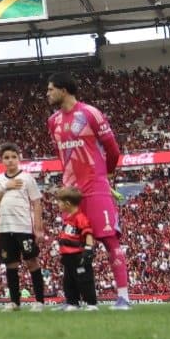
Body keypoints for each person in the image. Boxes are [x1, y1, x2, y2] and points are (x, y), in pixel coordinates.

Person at [46, 74, 130, 310]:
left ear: (64, 90)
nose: (47, 94)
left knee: (109, 240)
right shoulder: (53, 121)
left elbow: (113, 150)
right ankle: (73, 300)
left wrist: (107, 174)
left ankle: (123, 297)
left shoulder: (90, 113)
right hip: (70, 193)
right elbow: (62, 155)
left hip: (95, 187)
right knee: (70, 245)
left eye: (51, 89)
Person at [0, 143, 47, 312]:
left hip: (24, 227)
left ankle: (40, 301)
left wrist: (38, 228)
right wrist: (6, 187)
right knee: (10, 264)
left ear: (19, 159)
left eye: (13, 157)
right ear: (2, 160)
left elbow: (36, 203)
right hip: (4, 228)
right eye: (6, 157)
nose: (10, 160)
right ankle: (15, 302)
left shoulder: (27, 178)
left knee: (32, 262)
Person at [56, 186, 99, 311]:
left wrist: (88, 249)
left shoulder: (80, 218)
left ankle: (91, 303)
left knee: (84, 279)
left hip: (78, 256)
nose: (58, 204)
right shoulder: (67, 218)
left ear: (67, 203)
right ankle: (72, 302)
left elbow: (88, 233)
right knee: (69, 281)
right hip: (68, 257)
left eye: (59, 202)